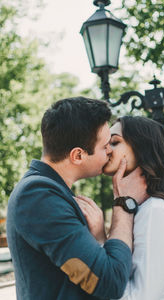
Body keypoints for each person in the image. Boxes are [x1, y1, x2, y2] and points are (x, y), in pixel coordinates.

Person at [6, 97, 147, 300]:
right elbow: (110, 283)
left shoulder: (48, 191)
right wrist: (123, 204)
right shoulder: (38, 197)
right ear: (78, 155)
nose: (110, 152)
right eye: (105, 145)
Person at [75, 116, 164, 300]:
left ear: (141, 148)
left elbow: (142, 297)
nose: (106, 150)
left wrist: (98, 240)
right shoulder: (141, 209)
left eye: (114, 142)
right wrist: (100, 236)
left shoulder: (156, 211)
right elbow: (121, 276)